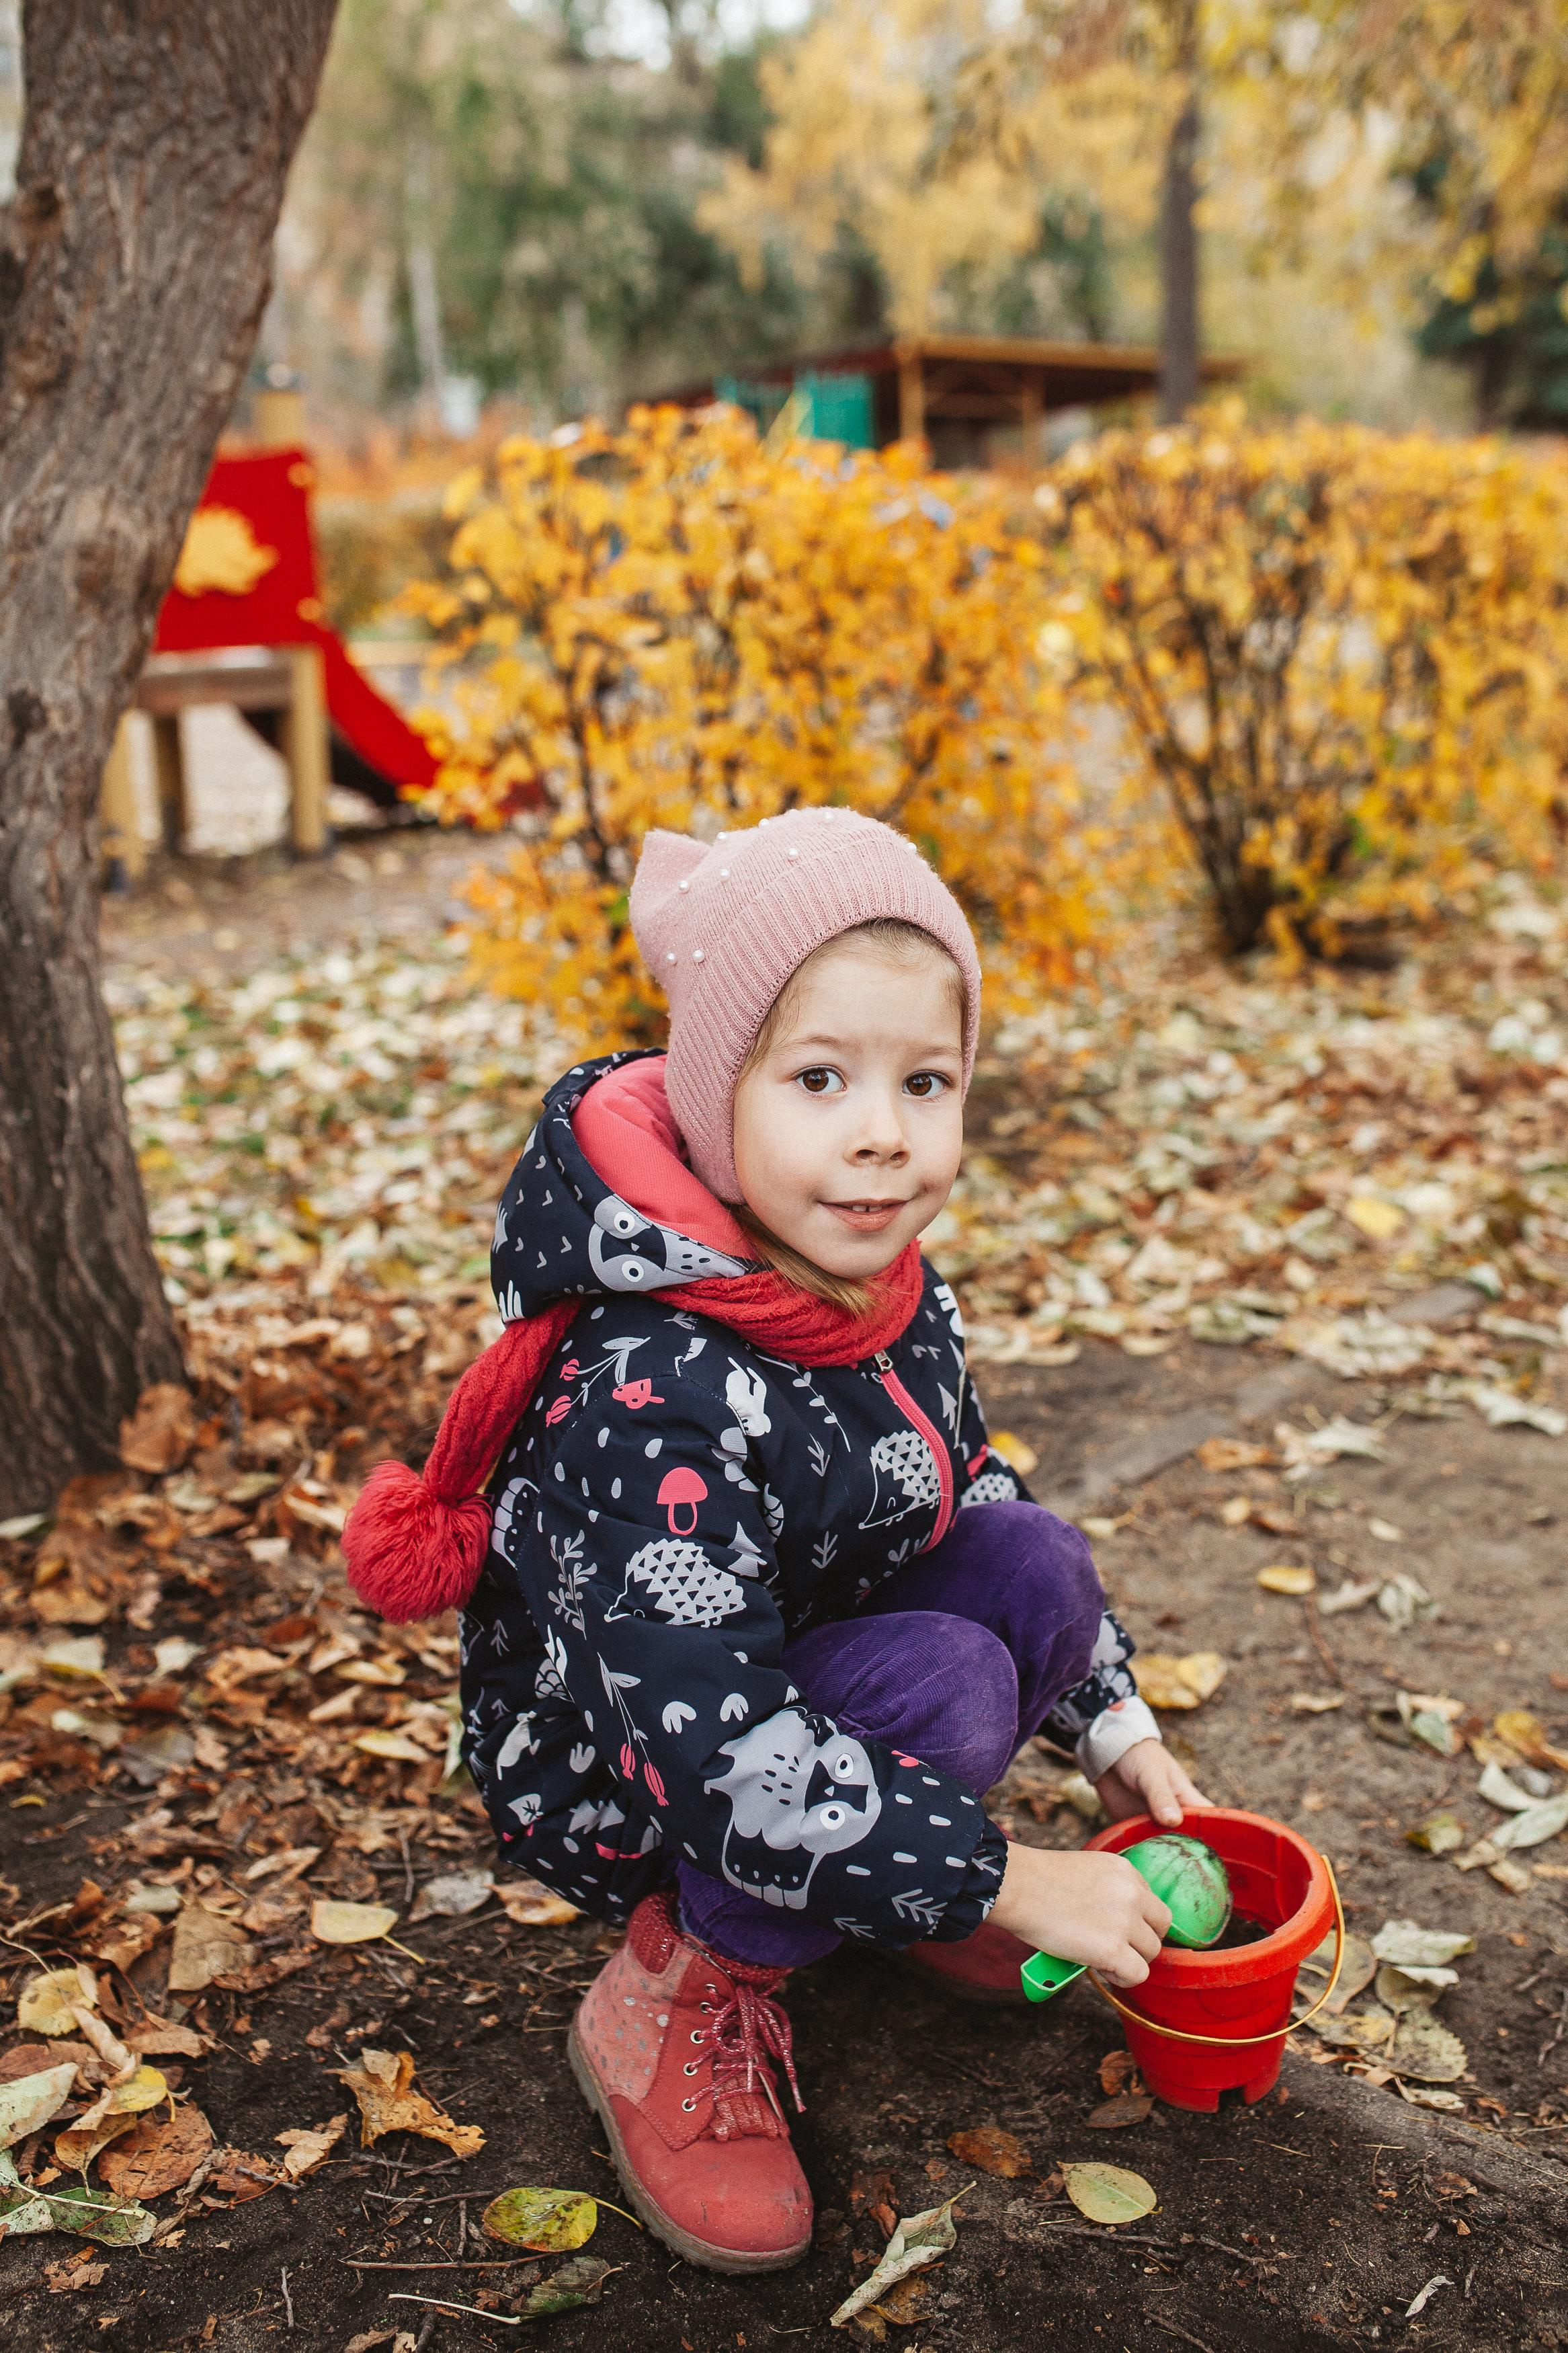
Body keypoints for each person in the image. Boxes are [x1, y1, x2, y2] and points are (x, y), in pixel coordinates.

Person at [343, 807, 1209, 2276]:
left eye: (924, 1080)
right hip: (637, 1766)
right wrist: (1004, 1878)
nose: (883, 1131)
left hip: (799, 1679)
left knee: (1035, 1565)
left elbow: (965, 1478)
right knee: (946, 1683)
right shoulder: (649, 1382)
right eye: (820, 1078)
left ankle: (887, 1879)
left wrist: (1110, 1720)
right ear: (712, 1097)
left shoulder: (881, 1279)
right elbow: (707, 1739)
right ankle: (677, 1988)